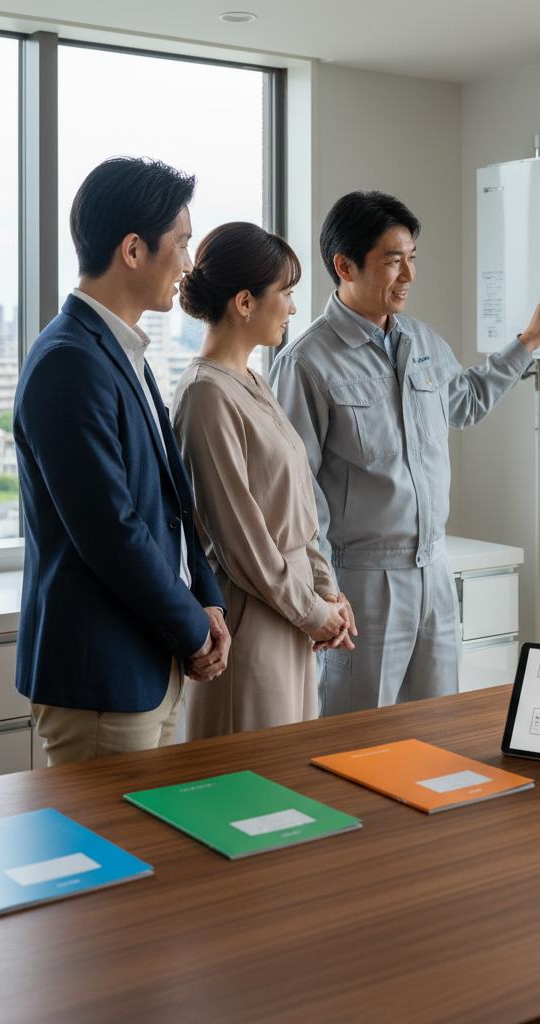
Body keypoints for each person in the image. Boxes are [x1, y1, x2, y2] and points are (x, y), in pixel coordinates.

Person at [269, 189, 540, 715]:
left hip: (435, 569)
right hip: (361, 580)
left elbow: (467, 401)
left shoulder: (422, 341)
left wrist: (529, 340)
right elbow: (297, 493)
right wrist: (322, 593)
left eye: (412, 258)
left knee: (438, 728)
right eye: (393, 261)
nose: (408, 274)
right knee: (360, 735)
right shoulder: (306, 362)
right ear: (345, 265)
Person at [13, 157, 230, 766]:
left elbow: (172, 502)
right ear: (133, 250)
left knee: (153, 859)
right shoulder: (67, 360)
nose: (189, 264)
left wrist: (207, 601)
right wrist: (193, 629)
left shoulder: (121, 349)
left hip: (148, 664)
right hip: (102, 674)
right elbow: (110, 531)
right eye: (181, 244)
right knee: (113, 860)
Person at [171, 222, 355, 739]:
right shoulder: (205, 394)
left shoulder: (254, 379)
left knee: (292, 783)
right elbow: (241, 540)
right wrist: (311, 611)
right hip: (257, 614)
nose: (294, 308)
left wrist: (328, 595)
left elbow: (299, 510)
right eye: (287, 293)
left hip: (293, 611)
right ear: (246, 302)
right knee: (254, 793)